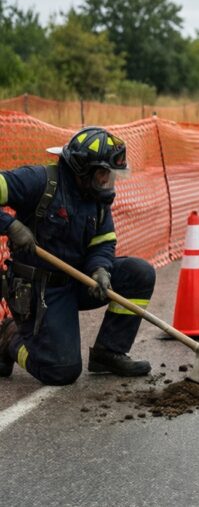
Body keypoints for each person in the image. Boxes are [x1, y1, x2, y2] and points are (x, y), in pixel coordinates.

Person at [0, 127, 154, 385]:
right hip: (41, 289)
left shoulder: (97, 198)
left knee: (140, 273)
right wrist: (10, 226)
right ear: (83, 169)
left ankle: (109, 352)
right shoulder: (38, 180)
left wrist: (101, 270)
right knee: (60, 372)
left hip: (77, 280)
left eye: (111, 175)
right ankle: (9, 340)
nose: (107, 180)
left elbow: (103, 244)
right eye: (103, 173)